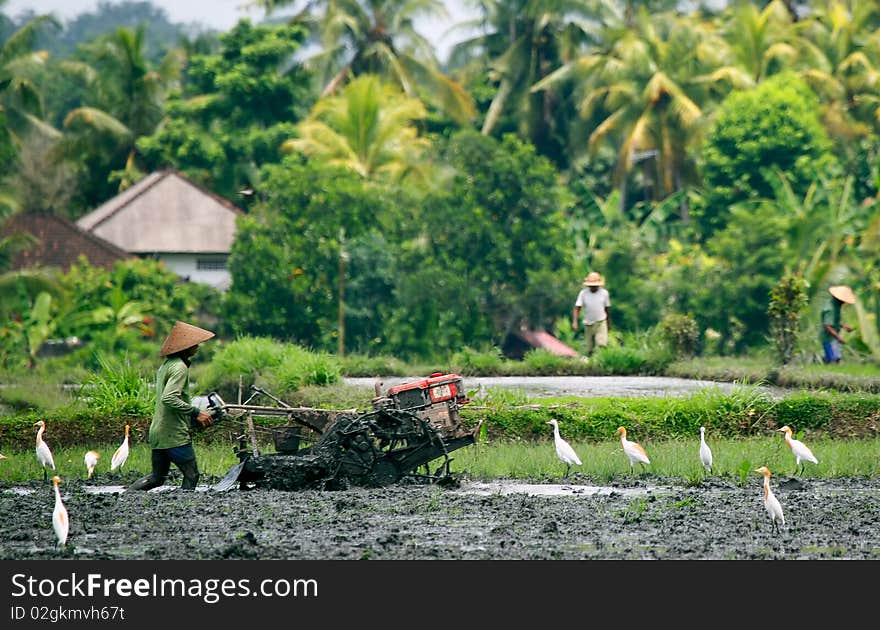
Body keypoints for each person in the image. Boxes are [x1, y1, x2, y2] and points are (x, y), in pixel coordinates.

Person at [128, 321, 216, 491]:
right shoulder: (179, 367)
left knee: (157, 478)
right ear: (185, 347)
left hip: (158, 433)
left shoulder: (167, 365)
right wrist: (196, 412)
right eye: (194, 344)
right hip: (173, 434)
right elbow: (169, 398)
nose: (197, 346)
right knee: (192, 475)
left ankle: (126, 496)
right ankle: (185, 507)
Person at [573, 271, 611, 358]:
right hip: (588, 323)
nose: (593, 287)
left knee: (602, 344)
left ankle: (603, 361)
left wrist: (608, 323)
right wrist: (575, 321)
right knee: (589, 348)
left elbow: (607, 309)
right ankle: (591, 363)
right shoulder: (583, 293)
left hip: (601, 321)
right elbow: (577, 307)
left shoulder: (604, 293)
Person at [820, 285, 855, 364]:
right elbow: (827, 325)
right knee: (834, 359)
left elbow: (833, 320)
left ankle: (826, 371)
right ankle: (829, 374)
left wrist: (844, 326)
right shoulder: (830, 308)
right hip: (828, 338)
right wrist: (838, 337)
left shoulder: (835, 305)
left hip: (832, 337)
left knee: (834, 358)